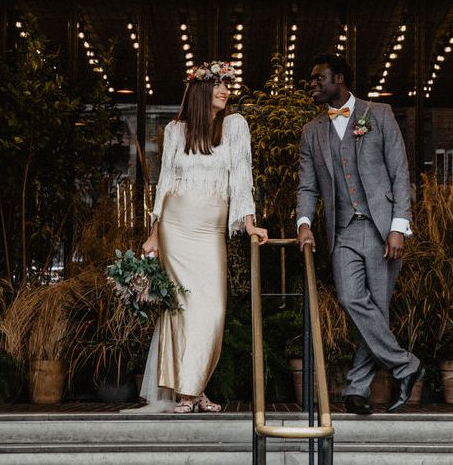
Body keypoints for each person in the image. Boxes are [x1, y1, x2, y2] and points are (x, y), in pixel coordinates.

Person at [295, 54, 423, 415]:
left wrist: (399, 226)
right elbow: (307, 186)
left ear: (340, 79)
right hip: (343, 232)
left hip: (382, 229)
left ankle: (357, 389)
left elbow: (400, 172)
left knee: (377, 308)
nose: (313, 84)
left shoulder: (378, 114)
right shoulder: (312, 132)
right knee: (352, 299)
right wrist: (303, 223)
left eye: (319, 78)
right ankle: (404, 364)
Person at [139, 60, 268, 414]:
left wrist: (250, 222)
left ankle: (193, 386)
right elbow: (164, 182)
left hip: (210, 230)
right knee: (181, 310)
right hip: (175, 228)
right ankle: (189, 392)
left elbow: (242, 177)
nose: (226, 90)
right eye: (219, 84)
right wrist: (154, 232)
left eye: (228, 84)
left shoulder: (236, 126)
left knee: (211, 311)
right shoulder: (174, 131)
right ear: (199, 89)